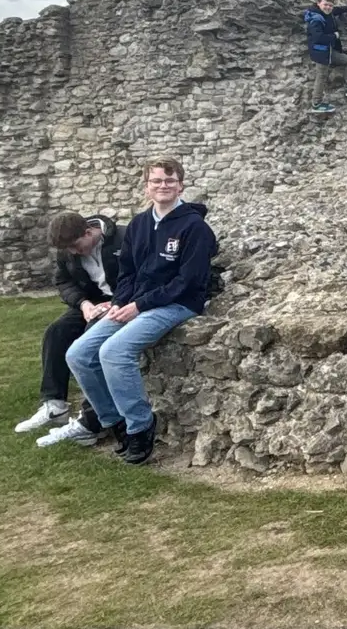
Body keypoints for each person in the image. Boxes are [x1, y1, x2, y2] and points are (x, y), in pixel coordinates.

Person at [65, 157, 217, 465]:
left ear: (181, 185)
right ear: (147, 186)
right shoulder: (140, 224)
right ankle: (114, 420)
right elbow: (128, 272)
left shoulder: (194, 227)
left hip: (176, 304)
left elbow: (187, 282)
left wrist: (139, 305)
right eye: (157, 181)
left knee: (114, 352)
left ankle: (140, 427)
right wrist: (121, 302)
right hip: (136, 303)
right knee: (78, 354)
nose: (163, 186)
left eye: (169, 181)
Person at [15, 212, 123, 447]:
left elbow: (138, 276)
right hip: (92, 303)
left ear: (89, 232)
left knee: (88, 346)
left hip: (123, 303)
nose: (73, 253)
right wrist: (84, 305)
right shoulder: (68, 249)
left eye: (76, 246)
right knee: (57, 332)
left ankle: (92, 420)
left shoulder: (124, 239)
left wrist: (115, 303)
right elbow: (63, 281)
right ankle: (54, 405)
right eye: (68, 250)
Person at [303, 0, 347, 113]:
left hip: (330, 51)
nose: (328, 7)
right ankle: (316, 104)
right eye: (325, 4)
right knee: (321, 76)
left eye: (330, 5)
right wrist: (334, 36)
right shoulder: (316, 19)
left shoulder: (329, 12)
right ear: (318, 4)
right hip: (320, 53)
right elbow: (318, 38)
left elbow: (338, 10)